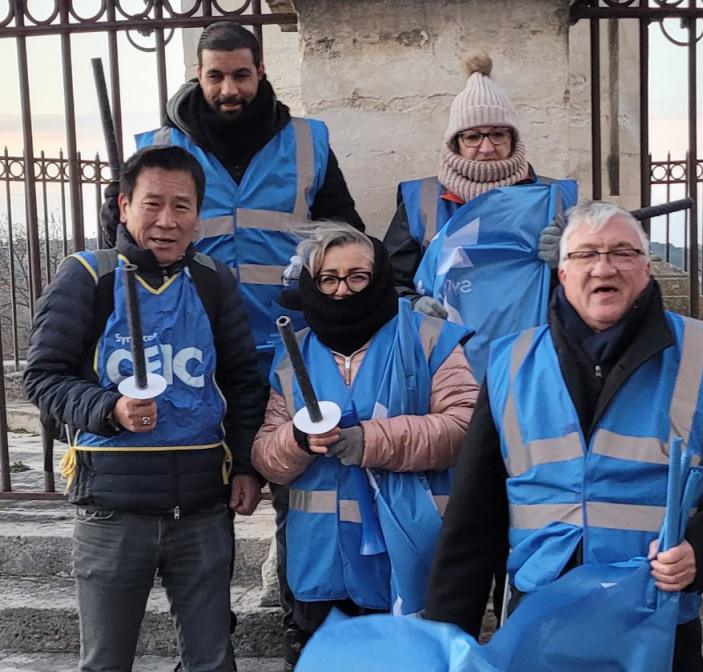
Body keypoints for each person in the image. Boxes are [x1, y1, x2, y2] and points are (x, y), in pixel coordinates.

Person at [97, 22, 365, 663]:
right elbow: (121, 245)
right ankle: (209, 625)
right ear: (198, 74)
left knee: (298, 492)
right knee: (200, 494)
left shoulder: (308, 142)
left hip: (291, 350)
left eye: (240, 74)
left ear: (262, 70)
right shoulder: (159, 147)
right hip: (190, 354)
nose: (228, 88)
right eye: (215, 75)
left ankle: (306, 620)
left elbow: (345, 229)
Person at [422, 201, 703, 671]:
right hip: (542, 613)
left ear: (647, 270)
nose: (603, 267)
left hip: (654, 615)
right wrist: (447, 640)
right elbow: (473, 514)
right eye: (586, 254)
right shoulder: (510, 362)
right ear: (563, 273)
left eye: (622, 253)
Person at [23, 145, 265, 672]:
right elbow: (42, 378)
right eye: (152, 204)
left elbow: (244, 381)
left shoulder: (212, 280)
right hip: (113, 507)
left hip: (203, 507)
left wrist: (245, 464)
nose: (166, 221)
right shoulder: (86, 276)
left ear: (199, 214)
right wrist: (110, 409)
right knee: (106, 662)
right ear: (125, 204)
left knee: (212, 661)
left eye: (182, 206)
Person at [251, 226, 477, 651]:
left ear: (378, 279)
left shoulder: (431, 337)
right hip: (321, 562)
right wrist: (298, 440)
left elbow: (464, 426)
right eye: (329, 278)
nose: (342, 290)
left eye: (357, 276)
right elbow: (266, 456)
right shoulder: (291, 354)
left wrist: (371, 440)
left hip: (404, 556)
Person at [383, 50, 576, 376]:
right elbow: (387, 280)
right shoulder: (422, 199)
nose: (486, 148)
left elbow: (590, 291)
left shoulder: (552, 199)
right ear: (455, 142)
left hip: (533, 364)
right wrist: (411, 303)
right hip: (443, 366)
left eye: (498, 134)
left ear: (513, 138)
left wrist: (570, 260)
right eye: (473, 136)